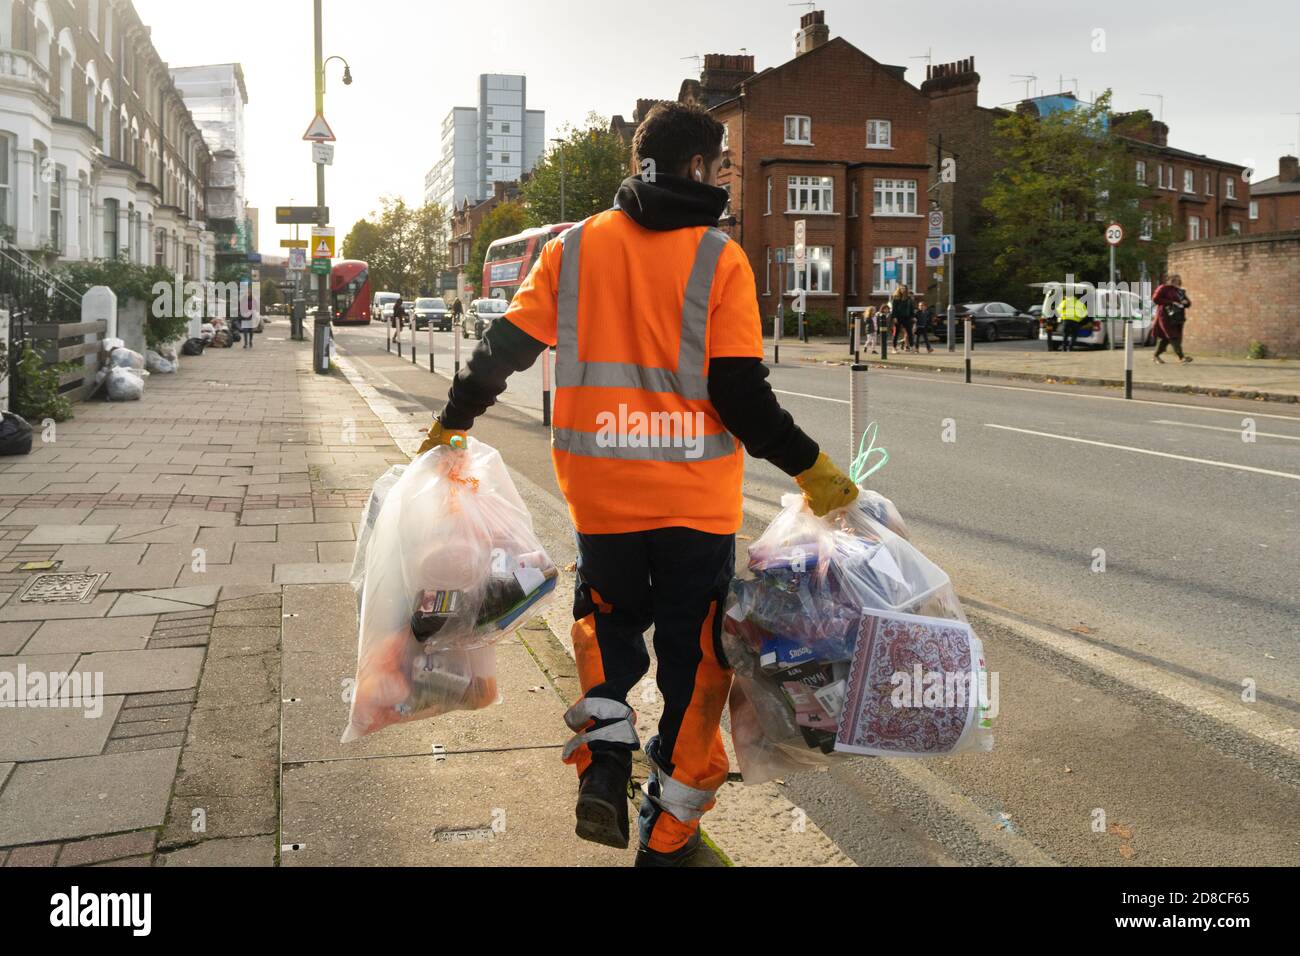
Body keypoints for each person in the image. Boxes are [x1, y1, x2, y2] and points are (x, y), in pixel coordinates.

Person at [415, 102, 857, 867]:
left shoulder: (573, 249)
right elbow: (741, 397)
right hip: (693, 508)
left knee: (607, 630)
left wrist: (454, 422)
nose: (721, 177)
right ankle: (670, 831)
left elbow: (503, 349)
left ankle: (604, 763)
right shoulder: (721, 260)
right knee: (695, 661)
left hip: (602, 497)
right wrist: (813, 471)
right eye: (719, 165)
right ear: (695, 168)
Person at [1152, 274, 1193, 365]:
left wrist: (1186, 302)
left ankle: (1156, 355)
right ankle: (1181, 357)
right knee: (1172, 335)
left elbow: (1188, 303)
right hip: (1165, 316)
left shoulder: (1180, 291)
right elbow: (1155, 299)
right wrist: (1171, 302)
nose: (1176, 282)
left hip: (1178, 317)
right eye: (1174, 280)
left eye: (1178, 280)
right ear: (1169, 280)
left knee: (1166, 338)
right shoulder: (1163, 288)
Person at [891, 284, 915, 351]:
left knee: (909, 332)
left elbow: (911, 308)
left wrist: (913, 316)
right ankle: (894, 347)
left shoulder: (909, 298)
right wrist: (894, 317)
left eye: (904, 288)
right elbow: (894, 309)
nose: (903, 290)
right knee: (896, 332)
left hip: (906, 317)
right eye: (901, 288)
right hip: (898, 317)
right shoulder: (896, 298)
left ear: (906, 289)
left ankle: (912, 346)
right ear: (899, 289)